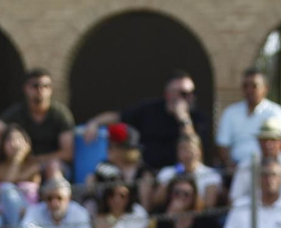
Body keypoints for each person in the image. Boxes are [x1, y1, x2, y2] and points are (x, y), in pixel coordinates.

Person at [82, 71, 211, 172]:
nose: (190, 97)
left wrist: (183, 119)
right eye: (184, 93)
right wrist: (95, 122)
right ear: (168, 94)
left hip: (179, 172)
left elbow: (193, 146)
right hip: (148, 170)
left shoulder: (198, 117)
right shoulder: (150, 109)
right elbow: (118, 116)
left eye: (192, 93)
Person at [0, 68, 74, 175]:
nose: (41, 90)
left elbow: (68, 153)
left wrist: (38, 159)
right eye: (35, 86)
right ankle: (0, 188)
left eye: (46, 86)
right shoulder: (17, 112)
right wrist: (5, 136)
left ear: (51, 89)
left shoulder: (60, 114)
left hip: (51, 164)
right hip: (22, 163)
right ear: (26, 88)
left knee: (53, 167)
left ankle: (55, 190)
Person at [215, 68, 281, 173]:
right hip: (235, 171)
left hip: (266, 170)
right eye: (245, 86)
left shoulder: (276, 113)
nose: (249, 90)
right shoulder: (230, 112)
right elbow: (223, 145)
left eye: (254, 86)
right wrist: (230, 165)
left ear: (266, 88)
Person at [229, 122, 281, 202]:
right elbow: (235, 198)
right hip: (252, 213)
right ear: (258, 141)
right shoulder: (245, 166)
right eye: (264, 140)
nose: (268, 144)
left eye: (273, 140)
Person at [146, 134, 221, 213]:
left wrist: (186, 203)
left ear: (200, 151)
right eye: (183, 150)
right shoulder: (167, 172)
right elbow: (156, 201)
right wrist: (172, 178)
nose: (187, 154)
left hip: (197, 218)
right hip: (170, 215)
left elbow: (209, 206)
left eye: (191, 149)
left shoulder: (211, 174)